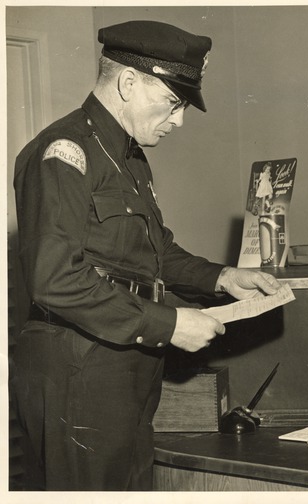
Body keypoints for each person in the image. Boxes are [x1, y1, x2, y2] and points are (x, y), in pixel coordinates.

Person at [11, 20, 282, 490]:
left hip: (125, 360)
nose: (178, 120)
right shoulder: (64, 152)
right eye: (173, 103)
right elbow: (55, 279)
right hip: (79, 366)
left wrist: (221, 278)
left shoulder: (129, 157)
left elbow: (155, 253)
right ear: (128, 82)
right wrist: (171, 325)